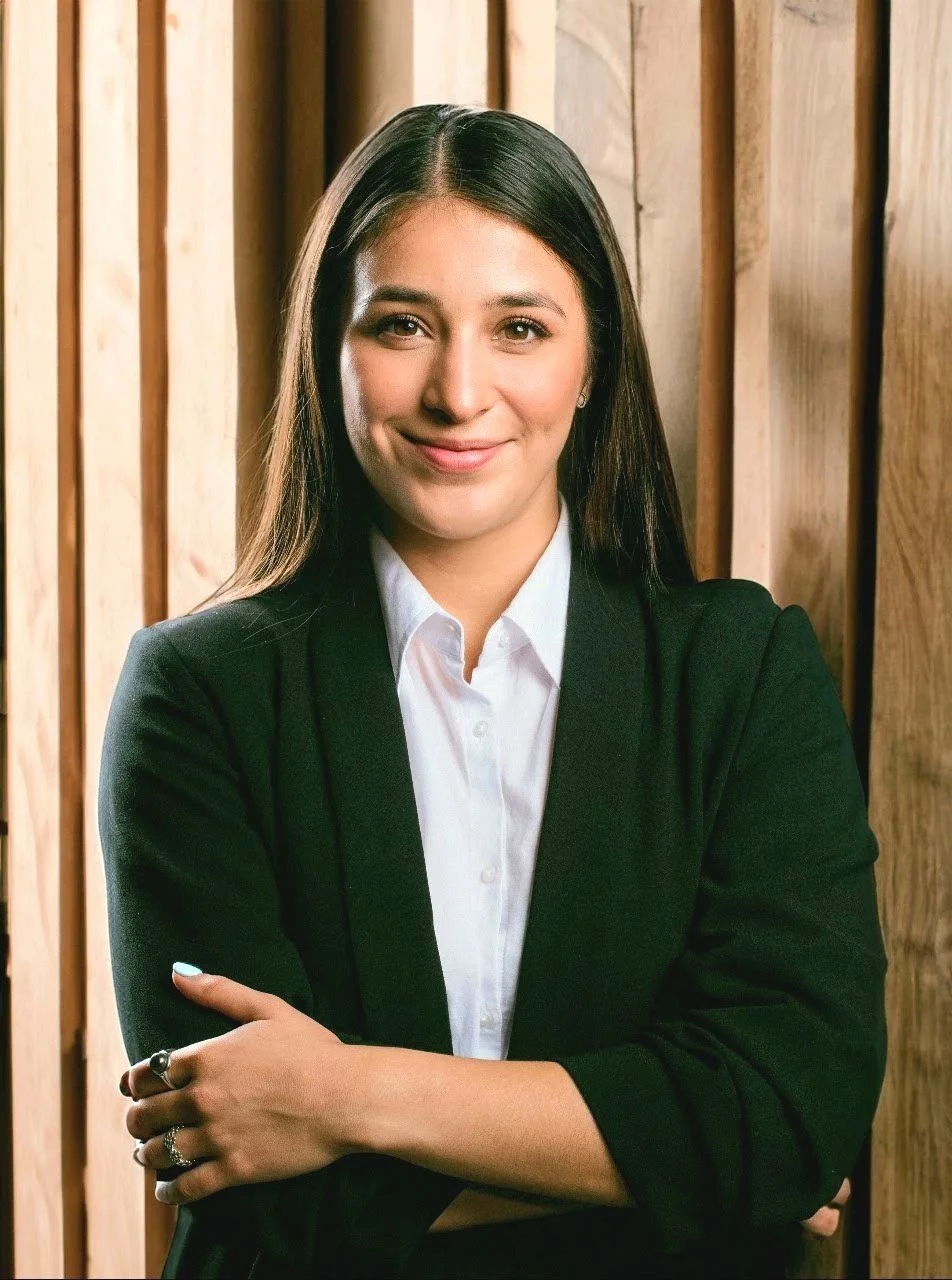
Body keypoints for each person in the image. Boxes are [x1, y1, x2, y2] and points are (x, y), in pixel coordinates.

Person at [99, 103, 887, 1279]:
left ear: (593, 360)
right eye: (404, 324)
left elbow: (789, 1115)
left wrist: (343, 1094)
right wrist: (686, 1157)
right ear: (330, 346)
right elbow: (260, 1194)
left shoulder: (740, 673)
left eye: (519, 326)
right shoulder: (198, 696)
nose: (459, 390)